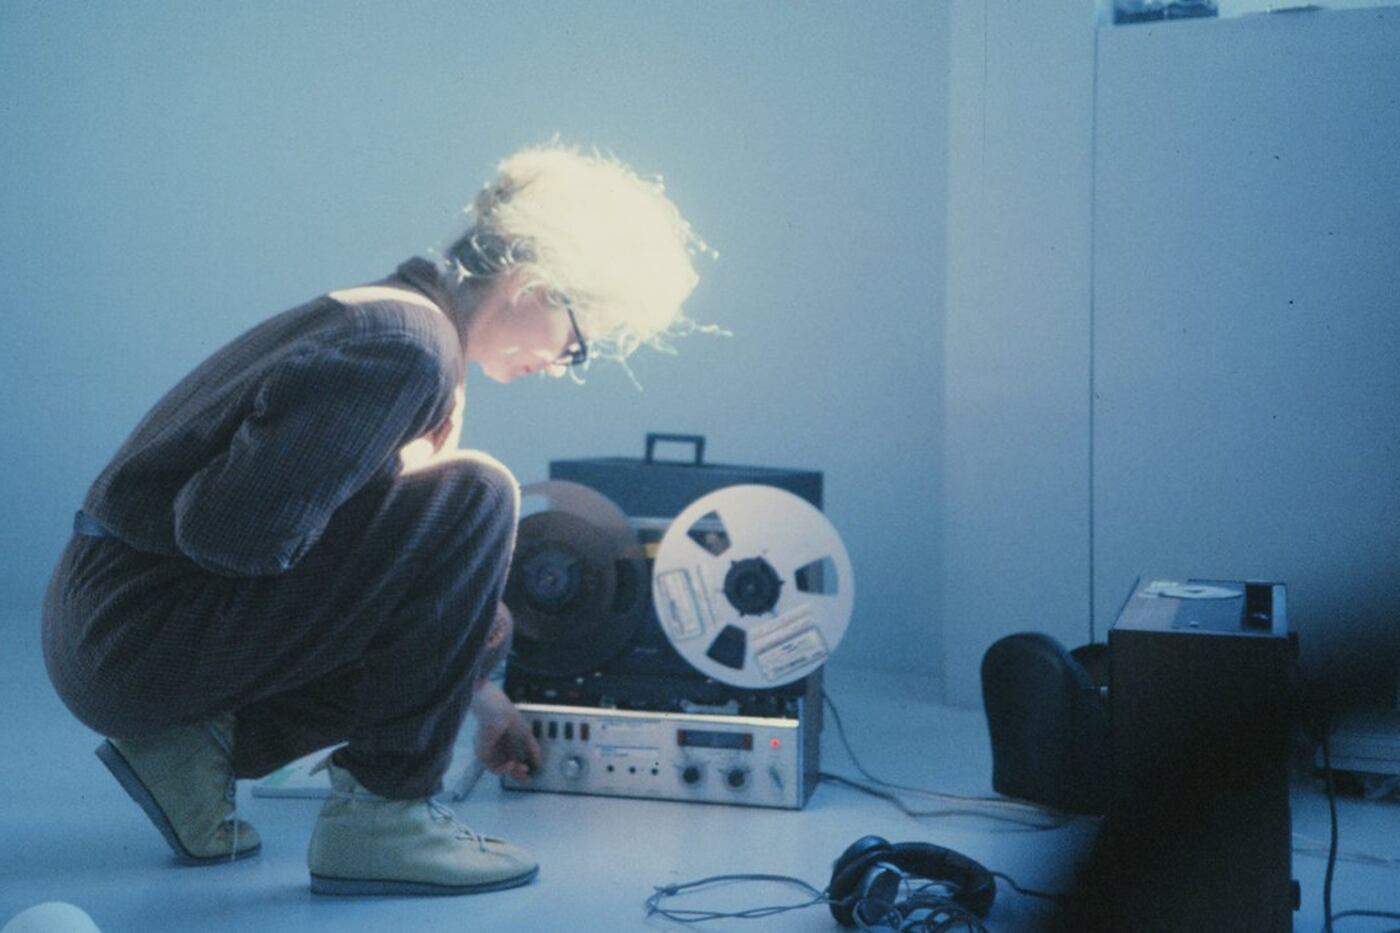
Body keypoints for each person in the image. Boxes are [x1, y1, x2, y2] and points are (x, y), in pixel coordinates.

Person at [41, 142, 706, 896]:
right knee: (478, 495)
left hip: (111, 623)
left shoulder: (391, 319)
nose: (560, 366)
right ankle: (384, 818)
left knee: (483, 619)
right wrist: (404, 510)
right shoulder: (406, 347)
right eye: (578, 344)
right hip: (130, 636)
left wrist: (478, 695)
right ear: (535, 286)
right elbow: (225, 533)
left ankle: (193, 754)